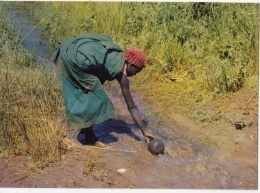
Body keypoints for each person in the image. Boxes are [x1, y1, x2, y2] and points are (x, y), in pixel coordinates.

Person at [52, 33, 154, 148]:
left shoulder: (114, 59)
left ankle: (90, 137)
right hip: (75, 59)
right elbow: (131, 106)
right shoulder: (121, 73)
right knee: (98, 101)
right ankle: (72, 137)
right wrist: (145, 131)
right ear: (130, 65)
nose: (135, 74)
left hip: (70, 50)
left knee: (91, 95)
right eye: (137, 71)